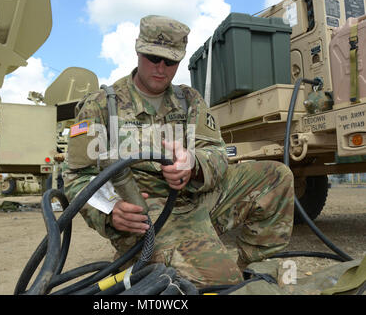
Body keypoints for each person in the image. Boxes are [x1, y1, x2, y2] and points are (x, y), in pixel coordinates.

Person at [63, 15, 294, 288]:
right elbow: (77, 177)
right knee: (222, 281)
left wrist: (193, 164)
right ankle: (145, 259)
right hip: (149, 215)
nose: (161, 68)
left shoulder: (189, 100)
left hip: (196, 198)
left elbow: (217, 153)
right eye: (153, 58)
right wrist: (110, 211)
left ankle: (256, 273)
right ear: (138, 50)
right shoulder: (101, 106)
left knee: (275, 176)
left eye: (171, 62)